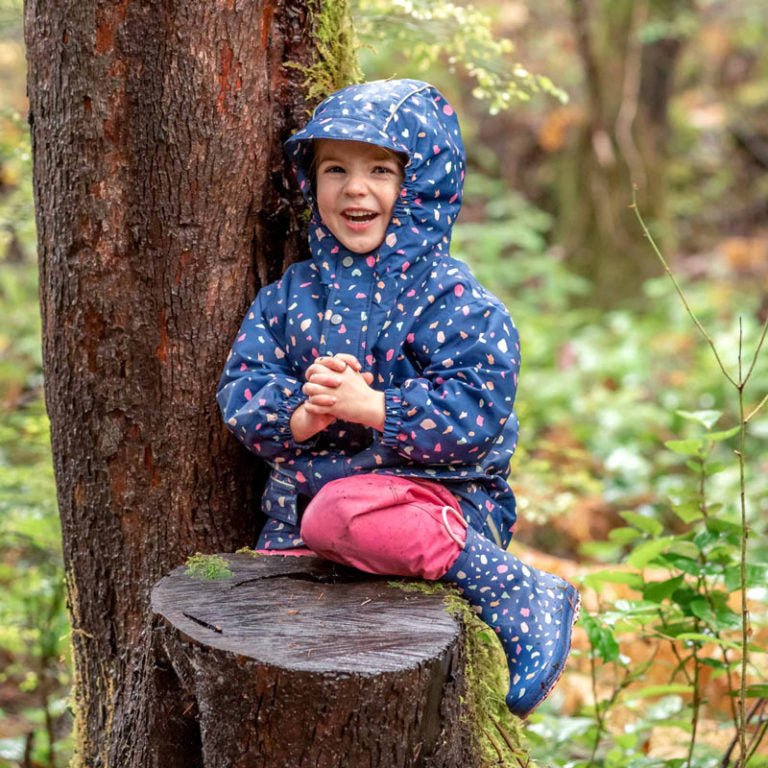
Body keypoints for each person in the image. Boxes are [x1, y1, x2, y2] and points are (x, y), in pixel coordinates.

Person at [217, 79, 579, 717]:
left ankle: (521, 592)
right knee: (274, 643)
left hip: (438, 501)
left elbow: (478, 409)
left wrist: (374, 407)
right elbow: (244, 385)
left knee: (340, 514)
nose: (356, 189)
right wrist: (301, 414)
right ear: (310, 182)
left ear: (421, 187)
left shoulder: (454, 301)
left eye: (380, 170)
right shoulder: (289, 296)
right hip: (298, 511)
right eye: (335, 169)